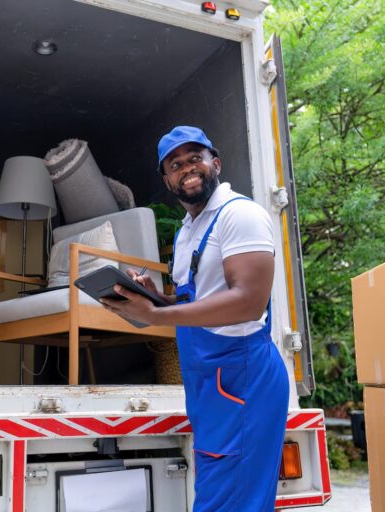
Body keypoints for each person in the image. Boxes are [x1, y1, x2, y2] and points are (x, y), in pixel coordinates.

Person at [100, 126, 290, 511]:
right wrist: (152, 295)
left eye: (194, 158)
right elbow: (199, 299)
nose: (186, 168)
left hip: (242, 379)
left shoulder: (240, 215)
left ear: (214, 163)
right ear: (167, 179)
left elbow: (248, 302)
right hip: (209, 382)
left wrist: (156, 314)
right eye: (175, 164)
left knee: (230, 501)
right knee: (221, 493)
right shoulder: (190, 230)